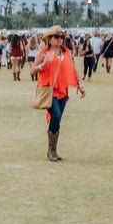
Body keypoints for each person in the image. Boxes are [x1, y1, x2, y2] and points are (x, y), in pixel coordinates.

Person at [32, 25, 85, 162]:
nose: (60, 39)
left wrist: (80, 84)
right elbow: (33, 70)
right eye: (56, 37)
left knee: (58, 118)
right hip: (49, 90)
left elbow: (72, 69)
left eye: (62, 37)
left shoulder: (66, 52)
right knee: (55, 115)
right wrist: (43, 64)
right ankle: (52, 150)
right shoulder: (44, 52)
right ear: (49, 39)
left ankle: (52, 149)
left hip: (63, 90)